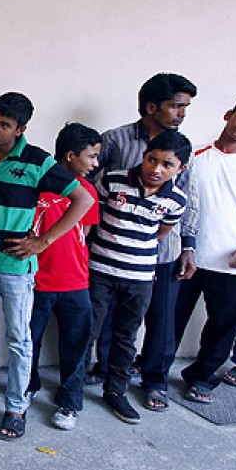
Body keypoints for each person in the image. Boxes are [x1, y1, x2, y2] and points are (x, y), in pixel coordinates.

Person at [0, 92, 94, 441]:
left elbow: (83, 199)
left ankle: (16, 407)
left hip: (16, 268)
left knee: (19, 338)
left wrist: (42, 241)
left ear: (21, 129)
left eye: (4, 125)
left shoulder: (37, 161)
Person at [89, 73, 199, 400]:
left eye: (186, 107)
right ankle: (106, 372)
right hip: (109, 251)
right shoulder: (115, 140)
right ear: (152, 107)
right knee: (105, 319)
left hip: (156, 253)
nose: (182, 114)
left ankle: (155, 382)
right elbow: (89, 189)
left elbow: (187, 200)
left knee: (158, 320)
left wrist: (187, 245)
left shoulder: (180, 151)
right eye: (176, 106)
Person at [170, 94, 236, 403]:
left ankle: (201, 377)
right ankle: (154, 372)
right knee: (170, 318)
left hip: (235, 262)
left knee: (223, 326)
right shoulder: (195, 158)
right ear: (228, 114)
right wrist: (183, 248)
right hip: (189, 256)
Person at [26, 123, 101, 430]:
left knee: (76, 344)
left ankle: (69, 402)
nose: (95, 163)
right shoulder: (38, 187)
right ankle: (27, 386)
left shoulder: (88, 191)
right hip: (37, 282)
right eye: (91, 156)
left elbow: (83, 234)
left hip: (75, 284)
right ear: (70, 156)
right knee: (29, 340)